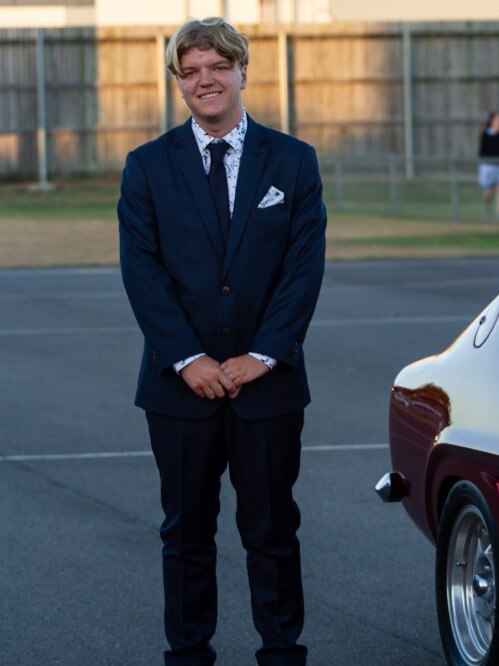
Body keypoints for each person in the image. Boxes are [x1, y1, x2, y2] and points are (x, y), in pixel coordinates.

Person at [118, 16, 326, 666]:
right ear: (178, 82)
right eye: (190, 71)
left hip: (268, 389)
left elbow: (302, 268)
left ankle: (281, 652)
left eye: (216, 66)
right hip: (180, 391)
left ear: (241, 70)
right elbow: (143, 272)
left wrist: (261, 356)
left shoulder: (292, 161)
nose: (204, 80)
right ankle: (187, 654)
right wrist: (188, 359)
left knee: (271, 531)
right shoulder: (146, 167)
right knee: (185, 536)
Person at [478, 110, 499, 218]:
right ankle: (487, 208)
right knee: (488, 190)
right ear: (491, 121)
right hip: (488, 166)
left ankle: (498, 212)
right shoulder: (486, 134)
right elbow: (482, 151)